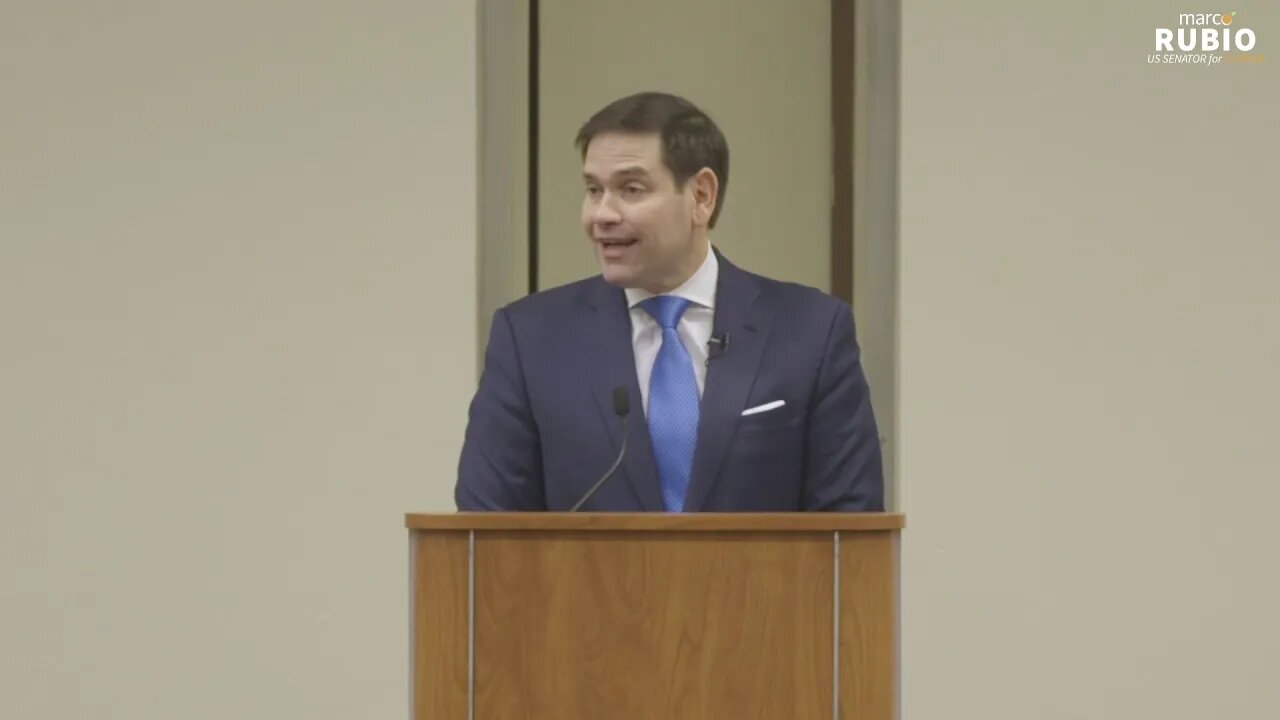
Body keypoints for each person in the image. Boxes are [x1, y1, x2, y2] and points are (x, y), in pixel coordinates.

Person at [455, 91, 883, 512]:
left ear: (701, 196)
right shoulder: (530, 339)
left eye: (631, 189)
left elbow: (849, 528)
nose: (601, 214)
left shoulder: (810, 331)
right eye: (593, 189)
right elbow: (487, 528)